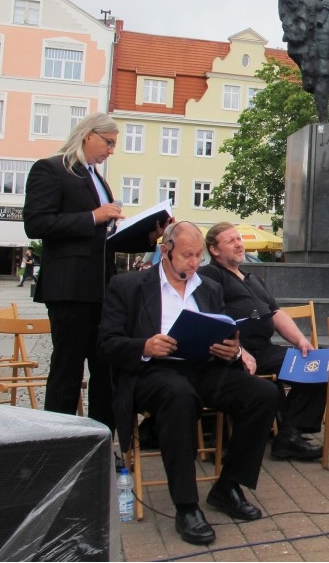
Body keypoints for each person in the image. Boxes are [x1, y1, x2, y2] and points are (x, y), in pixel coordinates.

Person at [98, 222, 279, 546]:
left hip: (203, 366)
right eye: (187, 255)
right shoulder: (129, 285)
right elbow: (107, 343)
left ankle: (228, 486)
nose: (194, 263)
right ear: (165, 250)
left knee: (263, 393)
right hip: (153, 371)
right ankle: (186, 506)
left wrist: (232, 349)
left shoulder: (208, 288)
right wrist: (143, 346)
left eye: (198, 256)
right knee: (179, 396)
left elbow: (223, 330)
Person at [23, 113, 163, 434]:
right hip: (69, 289)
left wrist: (147, 237)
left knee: (106, 370)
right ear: (88, 135)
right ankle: (58, 441)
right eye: (109, 142)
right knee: (67, 370)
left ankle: (102, 439)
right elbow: (37, 224)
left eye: (114, 144)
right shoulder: (52, 169)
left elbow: (106, 240)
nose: (111, 150)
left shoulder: (97, 179)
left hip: (103, 290)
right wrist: (92, 216)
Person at [198, 222, 327, 460]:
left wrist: (301, 340)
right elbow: (213, 318)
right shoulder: (210, 275)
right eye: (231, 241)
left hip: (264, 350)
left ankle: (289, 434)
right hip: (233, 353)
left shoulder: (253, 279)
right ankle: (278, 432)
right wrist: (240, 350)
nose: (239, 244)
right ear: (214, 250)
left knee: (315, 365)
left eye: (239, 239)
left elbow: (276, 313)